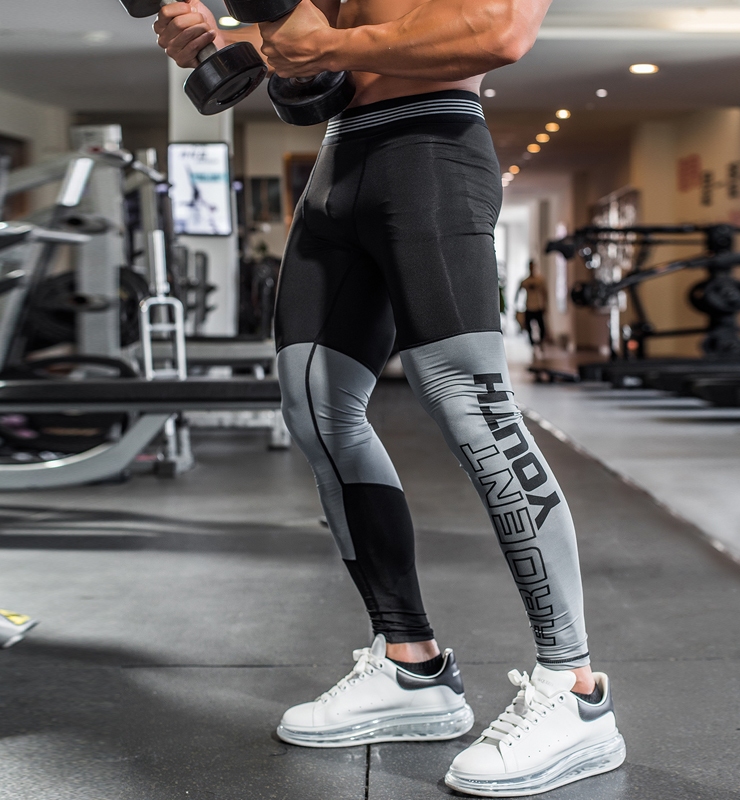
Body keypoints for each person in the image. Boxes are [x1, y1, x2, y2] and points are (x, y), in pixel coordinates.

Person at [154, 1, 625, 794]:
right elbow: (315, 44)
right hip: (339, 161)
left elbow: (500, 30)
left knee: (472, 407)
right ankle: (412, 666)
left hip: (432, 149)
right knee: (314, 403)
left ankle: (575, 689)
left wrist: (324, 43)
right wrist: (226, 40)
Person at [519, 259, 549, 348]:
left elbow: (545, 293)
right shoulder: (525, 281)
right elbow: (518, 292)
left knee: (542, 327)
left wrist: (545, 305)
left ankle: (540, 341)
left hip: (538, 307)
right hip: (529, 307)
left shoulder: (539, 280)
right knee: (528, 327)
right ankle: (532, 343)